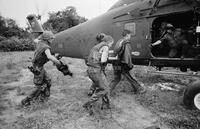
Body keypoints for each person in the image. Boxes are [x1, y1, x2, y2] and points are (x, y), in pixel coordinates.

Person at [21, 31, 61, 106]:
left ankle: (44, 97)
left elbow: (35, 40)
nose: (52, 39)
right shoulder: (46, 48)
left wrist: (41, 35)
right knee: (38, 86)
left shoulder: (39, 42)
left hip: (38, 66)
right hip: (37, 67)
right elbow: (49, 56)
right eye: (51, 38)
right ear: (47, 39)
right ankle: (27, 100)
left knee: (48, 80)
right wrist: (57, 62)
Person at [83, 34, 114, 114]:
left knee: (106, 86)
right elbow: (103, 60)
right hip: (96, 70)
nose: (111, 46)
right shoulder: (106, 46)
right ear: (109, 42)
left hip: (91, 69)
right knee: (104, 89)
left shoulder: (97, 46)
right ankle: (88, 104)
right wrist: (110, 58)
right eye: (111, 44)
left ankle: (106, 105)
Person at [109, 30, 145, 96]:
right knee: (131, 77)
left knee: (116, 78)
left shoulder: (119, 41)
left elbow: (119, 52)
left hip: (116, 63)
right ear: (127, 35)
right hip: (123, 64)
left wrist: (132, 53)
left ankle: (107, 92)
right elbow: (126, 56)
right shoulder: (126, 43)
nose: (130, 36)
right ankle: (139, 90)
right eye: (130, 35)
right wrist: (129, 65)